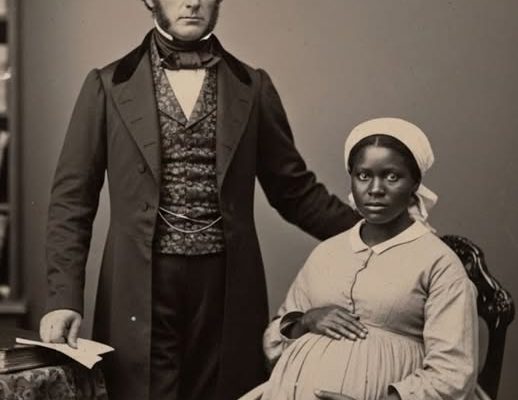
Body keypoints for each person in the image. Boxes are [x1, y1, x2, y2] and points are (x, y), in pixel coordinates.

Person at [38, 1, 359, 399]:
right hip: (139, 285)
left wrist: (380, 231)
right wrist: (63, 298)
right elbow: (72, 201)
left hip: (225, 285)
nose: (192, 2)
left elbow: (294, 191)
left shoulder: (253, 85)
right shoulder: (107, 85)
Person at [243, 117, 490, 400]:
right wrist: (306, 320)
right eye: (363, 176)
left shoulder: (438, 263)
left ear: (415, 183)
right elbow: (273, 345)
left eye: (391, 176)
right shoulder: (327, 252)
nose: (375, 189)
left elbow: (453, 372)